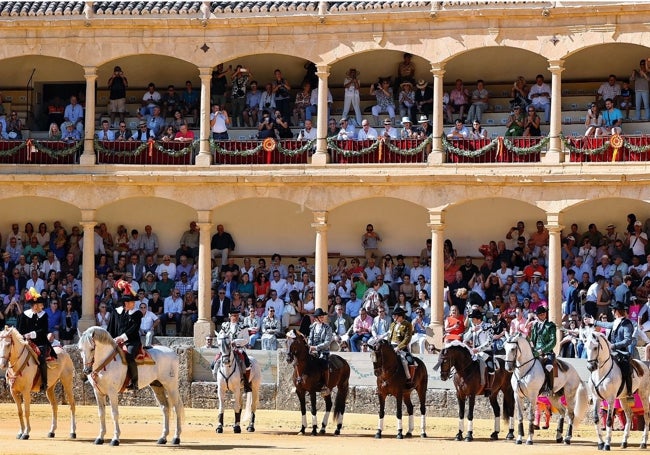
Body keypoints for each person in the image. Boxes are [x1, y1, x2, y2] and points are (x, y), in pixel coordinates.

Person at [586, 301, 636, 401]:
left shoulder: (627, 324)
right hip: (611, 351)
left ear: (617, 311)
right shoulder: (616, 322)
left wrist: (613, 346)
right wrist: (594, 322)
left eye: (613, 310)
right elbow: (607, 324)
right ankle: (595, 390)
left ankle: (629, 391)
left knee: (626, 368)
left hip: (622, 352)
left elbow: (628, 340)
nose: (612, 312)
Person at [17, 289, 56, 391]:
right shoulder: (24, 315)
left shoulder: (44, 315)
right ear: (34, 306)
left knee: (41, 358)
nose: (42, 306)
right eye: (40, 304)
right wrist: (25, 335)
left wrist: (32, 334)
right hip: (26, 341)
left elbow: (44, 330)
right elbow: (20, 330)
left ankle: (44, 382)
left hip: (41, 341)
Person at [107, 289, 142, 391]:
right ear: (126, 303)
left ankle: (135, 382)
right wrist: (110, 339)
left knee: (130, 356)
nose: (134, 304)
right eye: (132, 302)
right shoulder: (115, 312)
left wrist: (122, 337)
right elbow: (111, 327)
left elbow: (134, 329)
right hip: (115, 341)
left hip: (132, 341)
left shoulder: (137, 313)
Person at [219, 308, 253, 391]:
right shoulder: (225, 326)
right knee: (215, 363)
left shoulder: (243, 326)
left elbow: (246, 340)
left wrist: (235, 342)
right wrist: (223, 343)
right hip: (226, 350)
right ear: (230, 316)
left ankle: (246, 383)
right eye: (234, 315)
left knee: (247, 363)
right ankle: (218, 383)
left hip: (239, 349)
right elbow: (219, 336)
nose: (236, 317)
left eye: (237, 315)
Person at [463, 308, 495, 395]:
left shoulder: (488, 326)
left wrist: (478, 349)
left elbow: (489, 342)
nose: (472, 320)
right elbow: (464, 339)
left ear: (478, 319)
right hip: (474, 352)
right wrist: (470, 331)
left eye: (473, 319)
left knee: (491, 368)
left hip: (486, 352)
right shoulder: (472, 328)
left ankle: (489, 387)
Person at [529, 305, 556, 393]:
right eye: (541, 314)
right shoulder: (535, 325)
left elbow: (553, 342)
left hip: (547, 351)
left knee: (548, 366)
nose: (543, 315)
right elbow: (532, 340)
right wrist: (532, 349)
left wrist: (541, 351)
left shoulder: (550, 325)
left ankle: (549, 388)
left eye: (544, 313)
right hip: (535, 351)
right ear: (537, 316)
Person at [308, 307, 333, 394]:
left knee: (324, 364)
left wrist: (316, 347)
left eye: (323, 317)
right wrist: (310, 346)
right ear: (316, 318)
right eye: (320, 317)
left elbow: (327, 342)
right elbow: (310, 339)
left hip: (323, 351)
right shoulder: (312, 327)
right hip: (313, 351)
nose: (322, 318)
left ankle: (325, 385)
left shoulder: (327, 328)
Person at [388, 306, 415, 387]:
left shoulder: (407, 325)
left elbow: (407, 339)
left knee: (409, 361)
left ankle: (409, 379)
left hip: (401, 348)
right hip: (391, 347)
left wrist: (398, 347)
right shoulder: (393, 324)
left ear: (400, 316)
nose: (394, 317)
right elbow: (389, 336)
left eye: (395, 316)